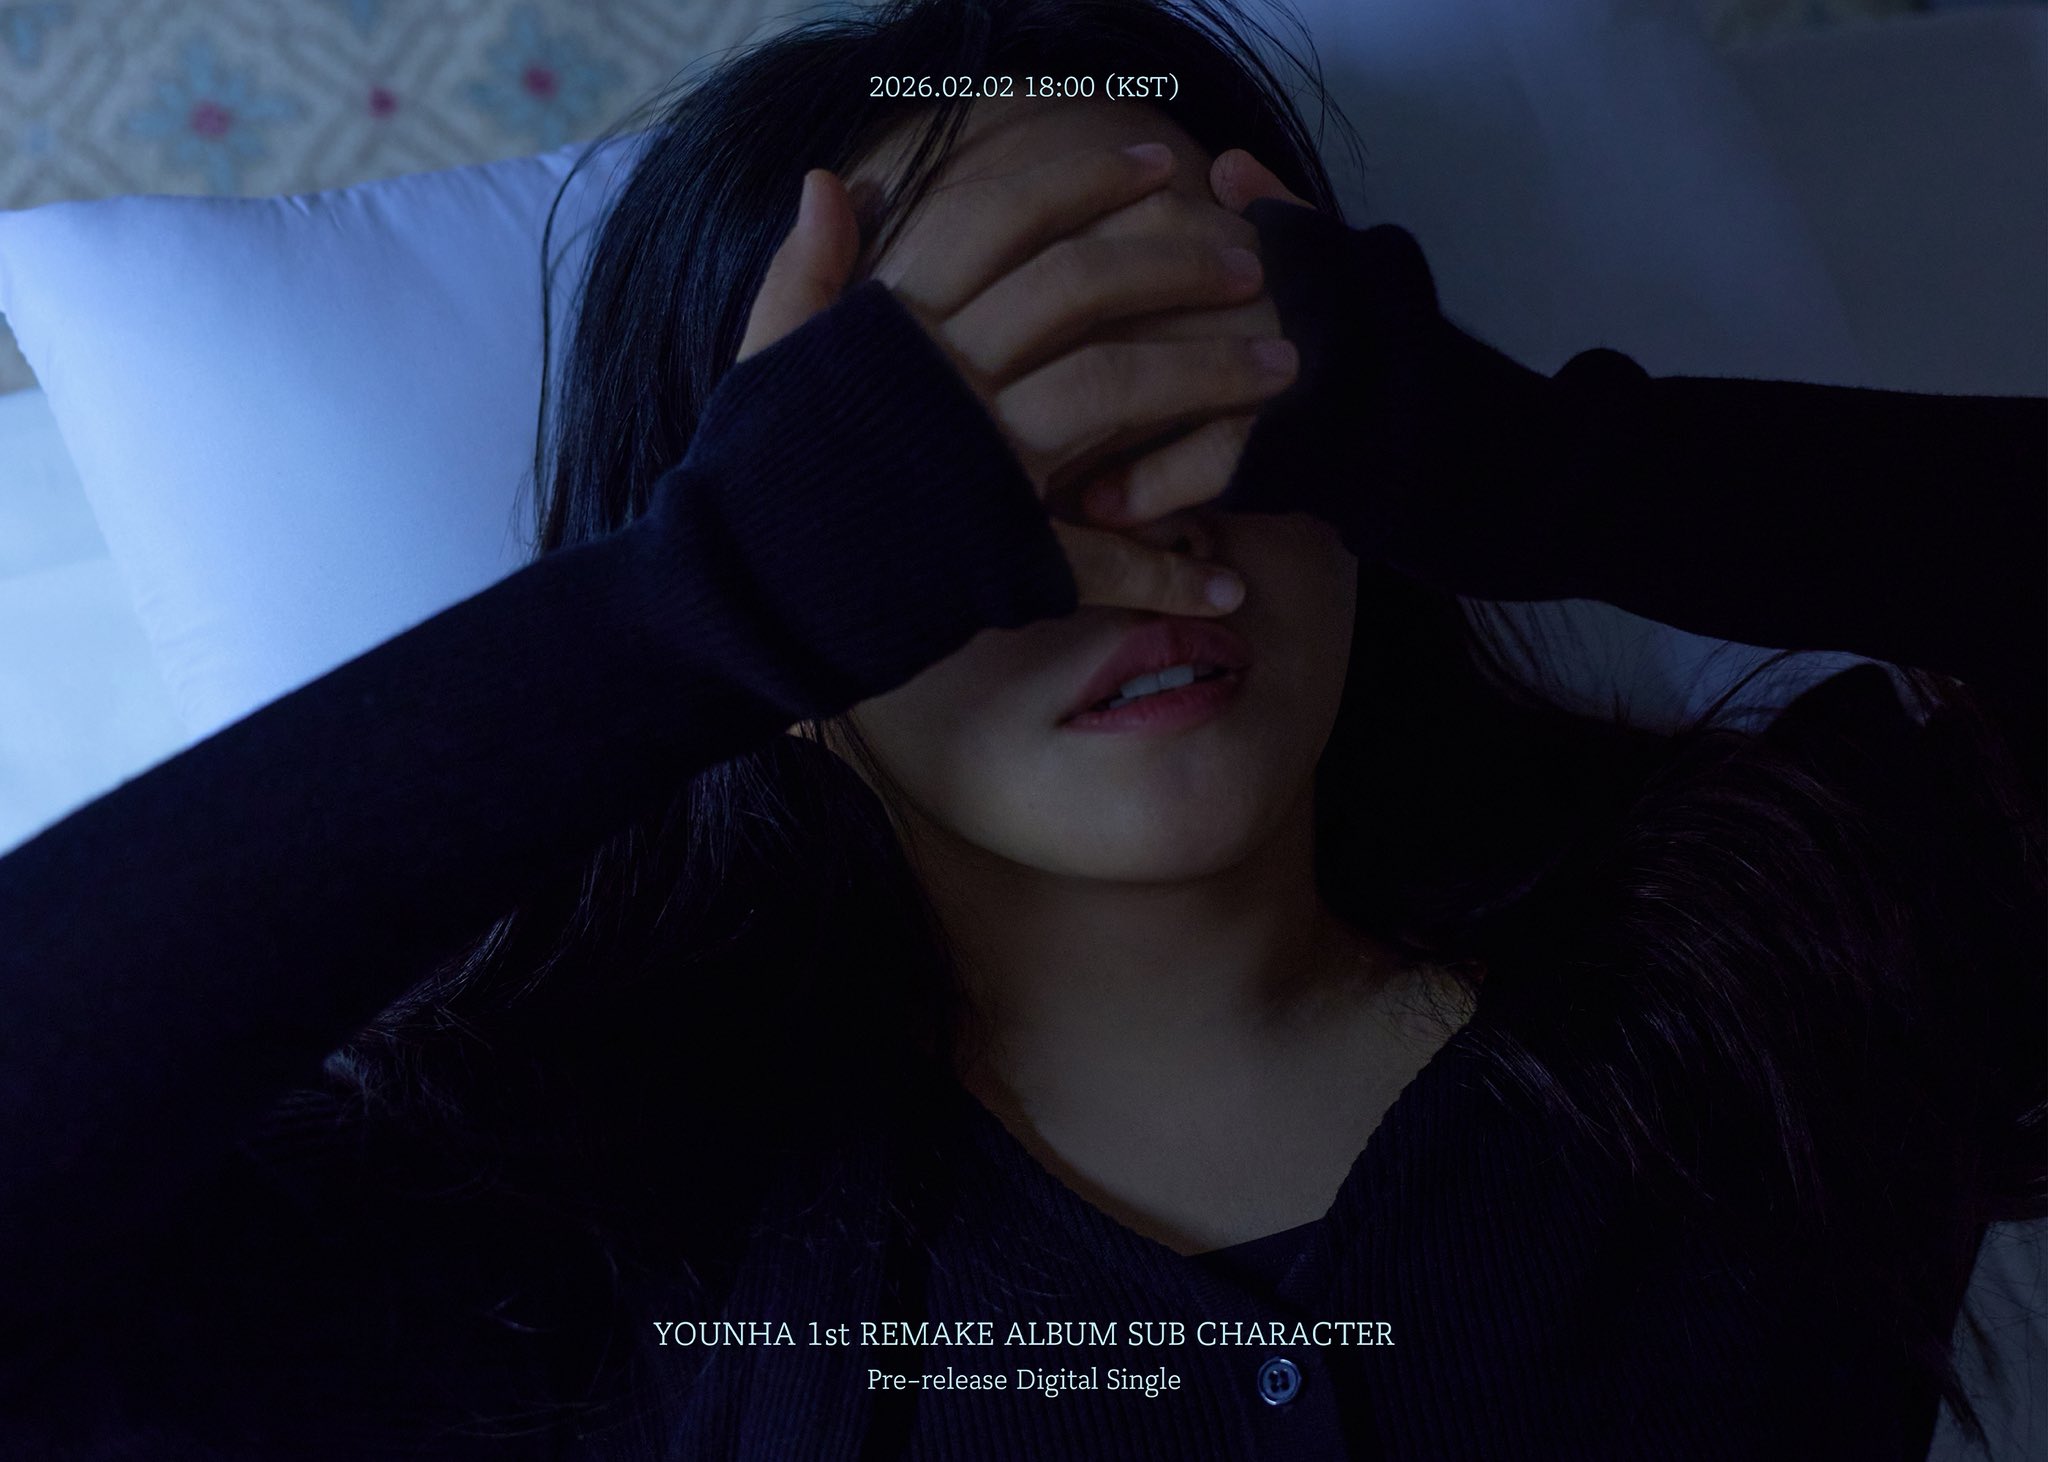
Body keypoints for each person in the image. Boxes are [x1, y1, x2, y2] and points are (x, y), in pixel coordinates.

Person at [0, 1, 2040, 1458]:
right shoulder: (565, 1218)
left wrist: (1554, 465)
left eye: (1196, 384)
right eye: (968, 467)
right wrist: (689, 614)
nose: (1142, 535)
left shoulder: (1774, 955)